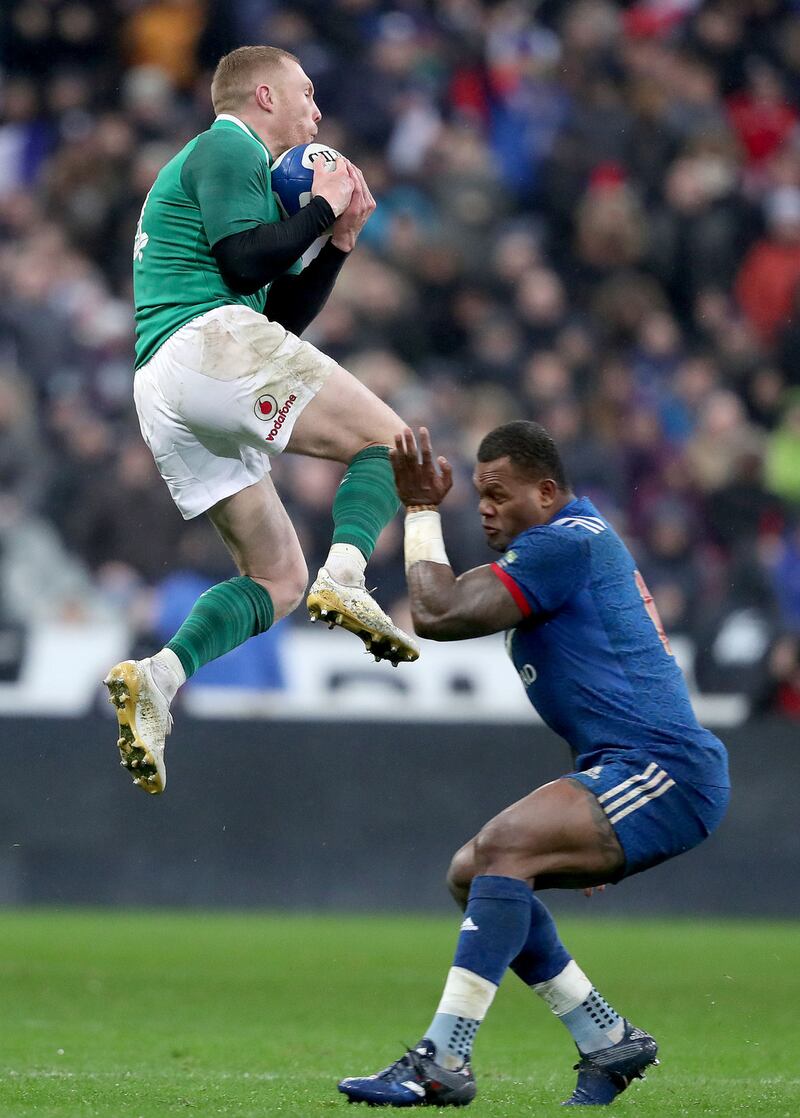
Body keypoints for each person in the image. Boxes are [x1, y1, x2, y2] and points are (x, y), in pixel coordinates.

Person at [338, 423, 730, 1108]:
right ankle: (603, 1036)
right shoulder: (570, 543)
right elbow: (602, 688)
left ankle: (444, 1057)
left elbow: (436, 612)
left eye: (499, 494)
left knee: (502, 850)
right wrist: (593, 810)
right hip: (631, 768)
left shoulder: (559, 545)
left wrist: (421, 509)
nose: (485, 507)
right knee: (474, 873)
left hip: (666, 768)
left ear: (546, 493)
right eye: (479, 495)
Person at [103, 45, 418, 795]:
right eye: (307, 93)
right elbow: (246, 265)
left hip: (168, 382)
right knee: (392, 443)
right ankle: (350, 574)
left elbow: (276, 315)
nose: (317, 110)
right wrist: (320, 206)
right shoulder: (227, 143)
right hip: (206, 344)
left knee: (277, 579)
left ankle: (159, 677)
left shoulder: (221, 166)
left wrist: (335, 244)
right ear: (265, 95)